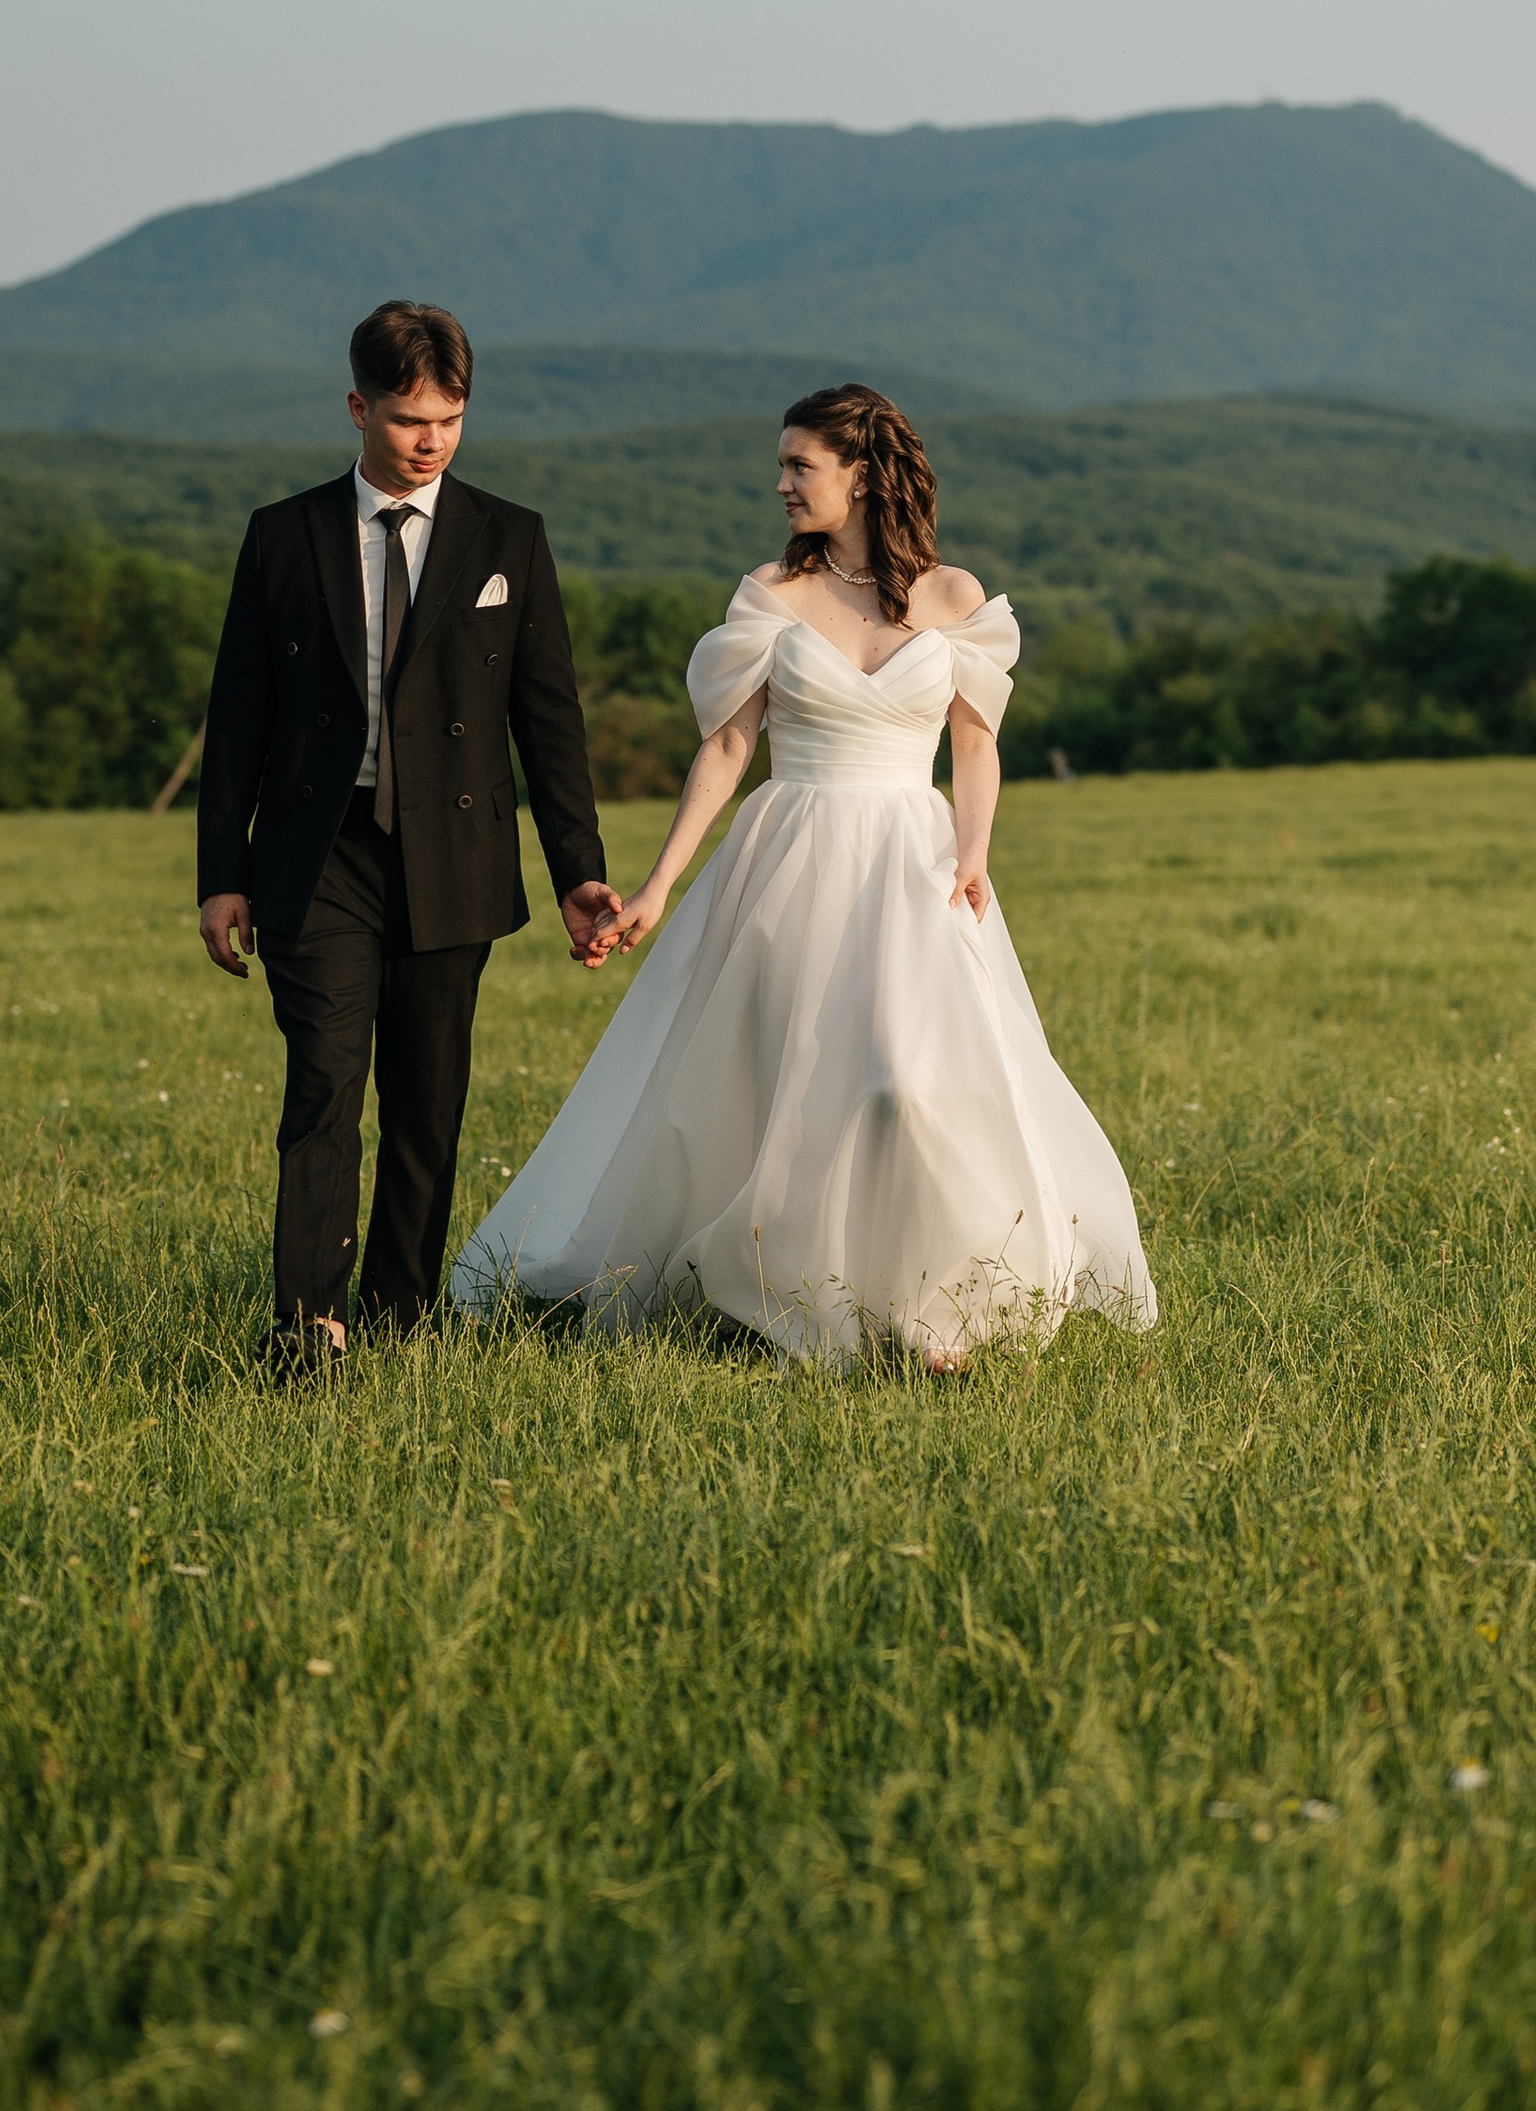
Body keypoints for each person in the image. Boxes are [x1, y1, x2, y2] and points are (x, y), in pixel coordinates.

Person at [451, 384, 1154, 1367]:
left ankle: (932, 1307)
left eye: (799, 465)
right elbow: (727, 749)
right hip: (789, 857)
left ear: (860, 474)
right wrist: (655, 887)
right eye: (781, 465)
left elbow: (977, 743)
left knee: (907, 1081)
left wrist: (976, 849)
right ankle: (787, 1294)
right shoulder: (769, 594)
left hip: (916, 858)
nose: (781, 483)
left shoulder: (952, 596)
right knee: (793, 1086)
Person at [197, 301, 619, 1376]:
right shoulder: (282, 535)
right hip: (317, 854)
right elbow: (237, 716)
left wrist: (580, 870)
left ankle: (398, 1311)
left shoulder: (506, 536)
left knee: (427, 1102)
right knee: (325, 1083)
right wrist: (221, 875)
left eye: (448, 418)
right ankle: (308, 1322)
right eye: (405, 418)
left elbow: (548, 715)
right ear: (356, 406)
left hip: (455, 858)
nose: (428, 439)